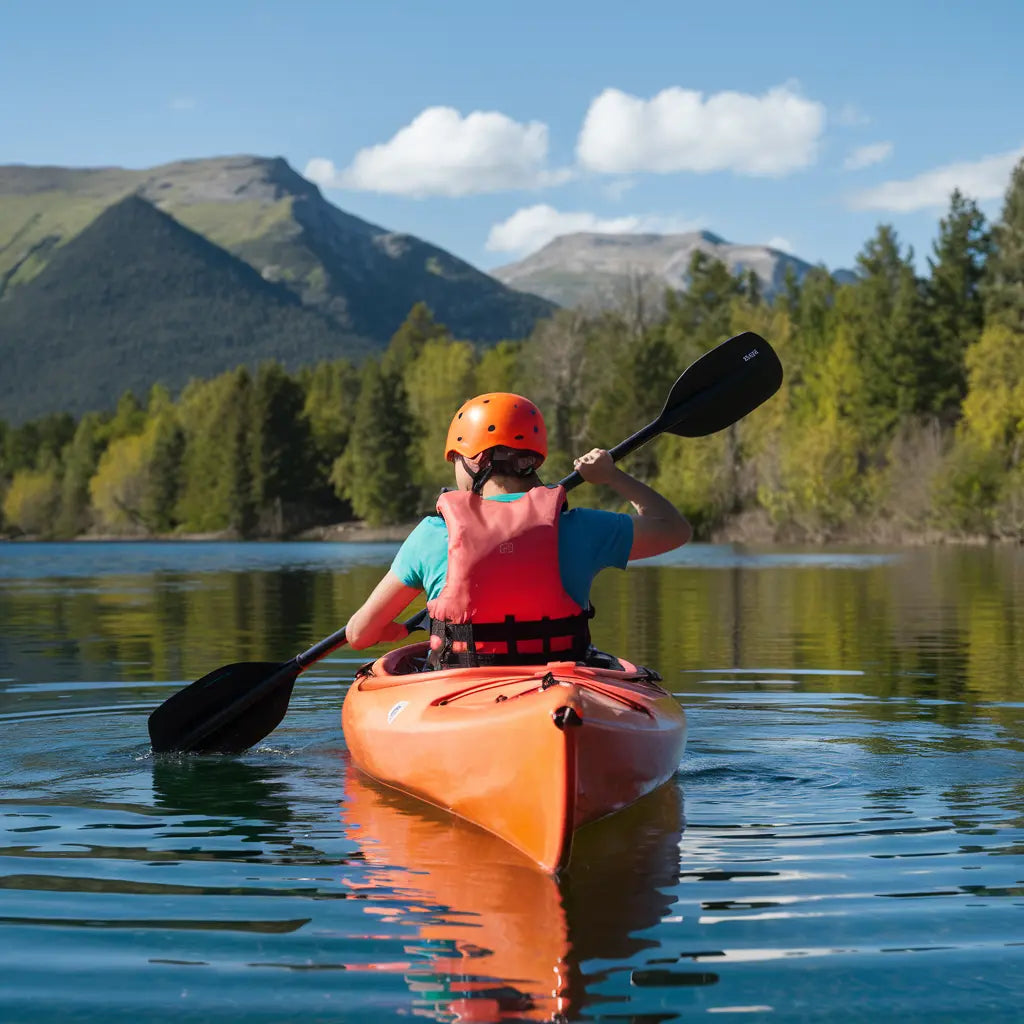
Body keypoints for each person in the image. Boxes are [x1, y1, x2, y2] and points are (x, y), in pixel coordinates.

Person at [344, 392, 691, 665]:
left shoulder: (433, 535)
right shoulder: (582, 527)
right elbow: (674, 529)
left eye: (455, 459)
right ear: (533, 459)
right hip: (559, 686)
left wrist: (393, 632)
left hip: (460, 695)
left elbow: (359, 633)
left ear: (474, 459)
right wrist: (611, 476)